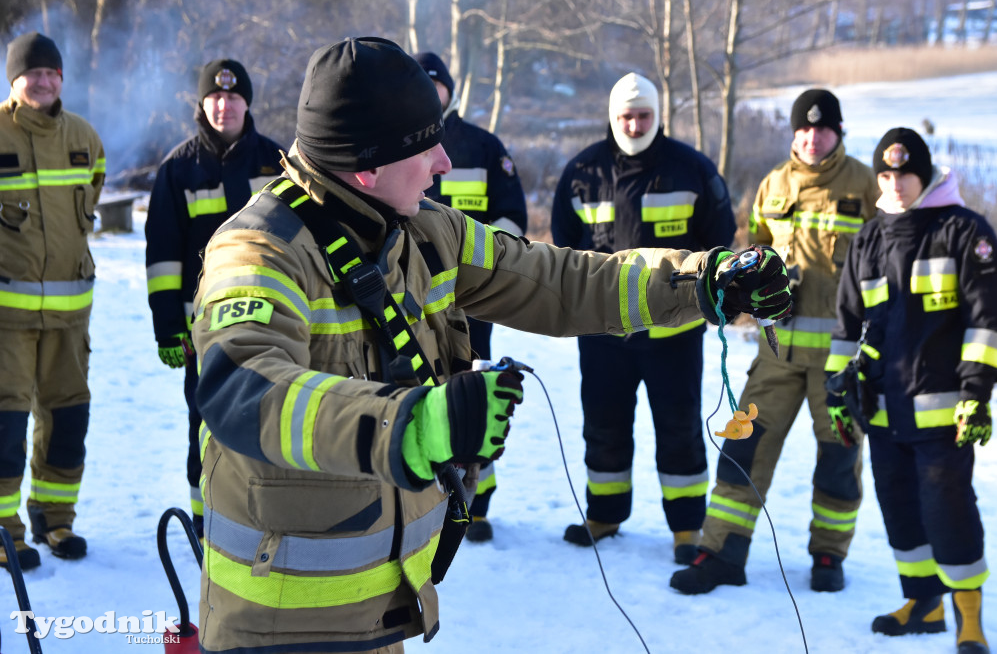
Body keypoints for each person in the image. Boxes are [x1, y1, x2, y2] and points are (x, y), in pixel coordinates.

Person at [189, 36, 791, 654]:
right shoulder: (259, 250)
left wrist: (701, 281)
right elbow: (242, 388)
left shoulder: (424, 231)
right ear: (367, 165)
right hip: (279, 626)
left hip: (378, 614)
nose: (445, 161)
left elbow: (559, 280)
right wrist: (413, 427)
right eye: (427, 144)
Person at [671, 89, 877, 595]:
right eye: (804, 129)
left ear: (839, 131)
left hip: (838, 358)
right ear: (793, 132)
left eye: (823, 128)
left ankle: (829, 555)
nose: (812, 137)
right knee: (743, 450)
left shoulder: (865, 184)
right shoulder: (772, 185)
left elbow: (885, 263)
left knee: (839, 461)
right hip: (776, 354)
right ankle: (721, 553)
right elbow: (756, 254)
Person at [828, 128, 997, 654]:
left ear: (924, 173)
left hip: (946, 413)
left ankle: (967, 617)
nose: (895, 184)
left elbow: (988, 321)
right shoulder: (868, 239)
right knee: (900, 509)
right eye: (885, 175)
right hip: (882, 412)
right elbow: (846, 325)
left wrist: (976, 392)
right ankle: (922, 603)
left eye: (904, 173)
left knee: (948, 510)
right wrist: (838, 392)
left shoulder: (963, 231)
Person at [550, 72, 736, 563]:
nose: (634, 124)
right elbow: (564, 251)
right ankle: (605, 513)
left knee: (678, 427)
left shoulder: (692, 169)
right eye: (626, 115)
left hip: (675, 334)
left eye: (644, 114)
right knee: (604, 424)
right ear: (613, 116)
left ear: (658, 115)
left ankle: (686, 527)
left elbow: (720, 240)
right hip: (603, 331)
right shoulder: (582, 172)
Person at [144, 58, 284, 538]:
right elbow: (162, 257)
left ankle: (263, 518)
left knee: (271, 416)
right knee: (205, 424)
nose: (224, 105)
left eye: (234, 97)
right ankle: (206, 522)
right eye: (216, 97)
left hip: (275, 322)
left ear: (248, 103)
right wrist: (167, 327)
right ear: (203, 105)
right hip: (202, 330)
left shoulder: (277, 163)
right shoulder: (177, 170)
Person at [413, 51, 529, 542]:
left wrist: (482, 266)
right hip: (414, 294)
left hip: (473, 295)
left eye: (435, 85)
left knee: (475, 385)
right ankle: (426, 492)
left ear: (449, 91)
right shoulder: (396, 144)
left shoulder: (482, 146)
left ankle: (475, 500)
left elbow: (513, 217)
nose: (429, 93)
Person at [0, 32, 105, 570]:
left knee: (68, 422)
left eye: (52, 72)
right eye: (32, 72)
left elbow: (93, 196)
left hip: (70, 320)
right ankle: (3, 532)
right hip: (5, 322)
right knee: (5, 426)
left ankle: (55, 521)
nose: (43, 80)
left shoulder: (84, 136)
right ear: (13, 79)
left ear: (62, 79)